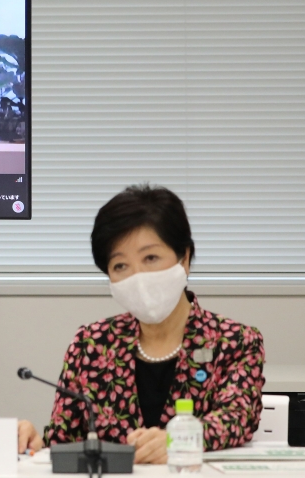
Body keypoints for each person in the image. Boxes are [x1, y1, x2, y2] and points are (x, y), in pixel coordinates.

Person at [18, 184, 265, 463]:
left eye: (151, 258)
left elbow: (237, 418)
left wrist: (176, 441)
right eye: (120, 266)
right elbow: (63, 441)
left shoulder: (235, 341)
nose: (138, 277)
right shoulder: (91, 344)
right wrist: (35, 443)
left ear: (184, 258)